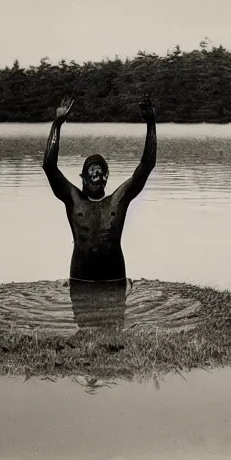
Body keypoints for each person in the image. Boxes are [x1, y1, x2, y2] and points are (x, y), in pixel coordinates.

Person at [43, 94, 156, 323]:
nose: (96, 173)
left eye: (101, 170)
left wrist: (151, 123)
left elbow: (146, 166)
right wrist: (57, 124)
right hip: (80, 280)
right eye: (91, 170)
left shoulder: (118, 200)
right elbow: (49, 166)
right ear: (83, 177)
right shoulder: (73, 199)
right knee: (84, 330)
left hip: (114, 281)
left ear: (106, 178)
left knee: (115, 331)